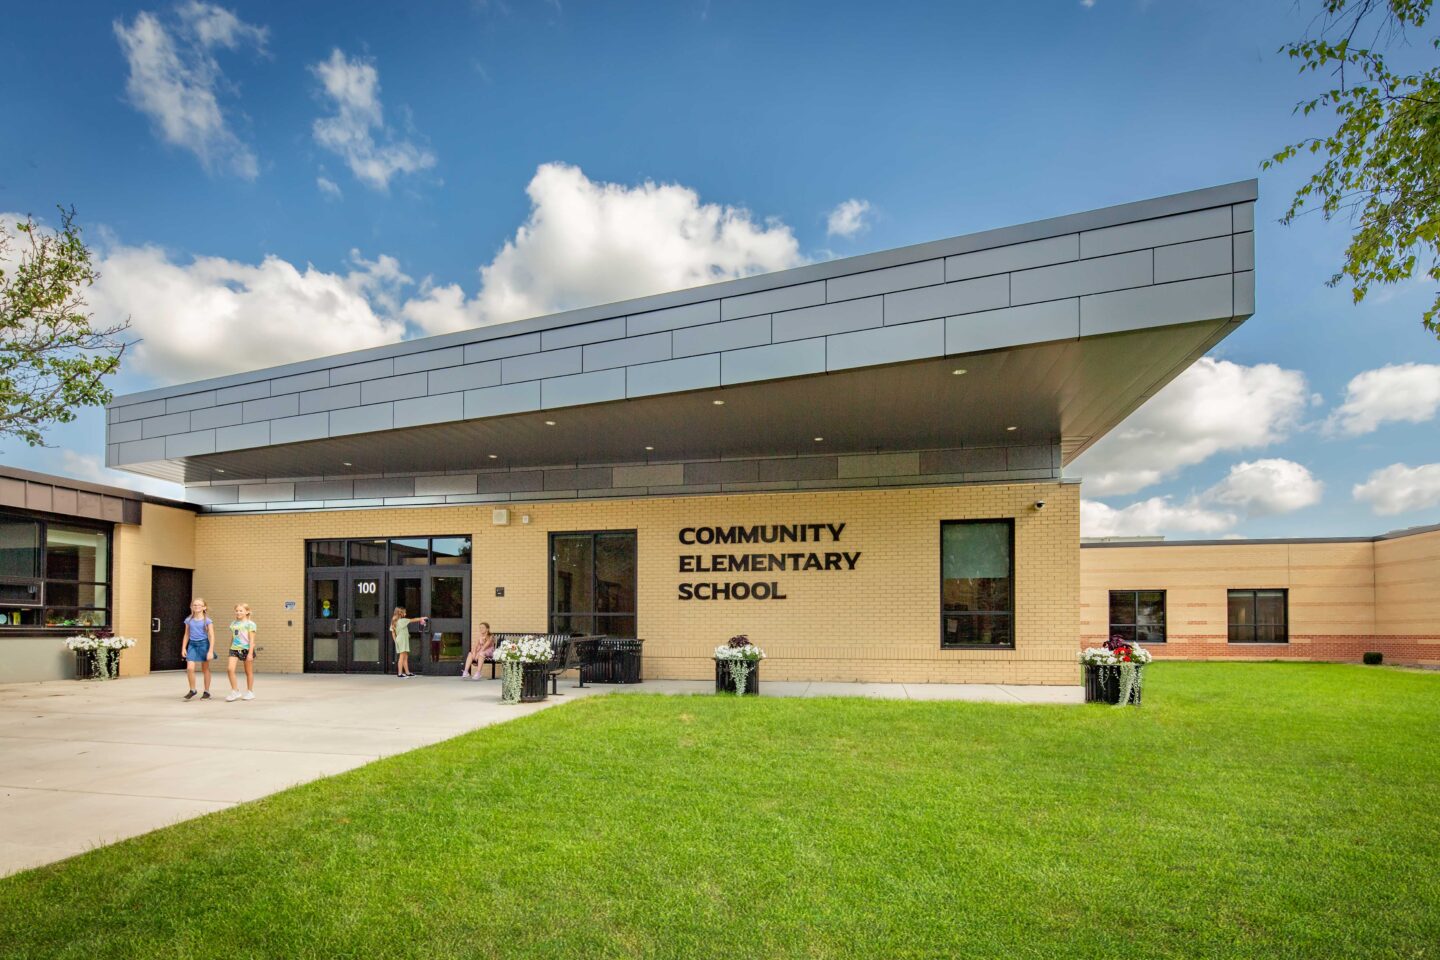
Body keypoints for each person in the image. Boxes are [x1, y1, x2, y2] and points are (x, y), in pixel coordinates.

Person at [180, 598, 215, 701]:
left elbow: (212, 636)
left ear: (204, 607)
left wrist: (210, 651)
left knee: (205, 669)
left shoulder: (207, 621)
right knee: (190, 668)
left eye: (199, 605)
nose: (196, 606)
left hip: (204, 644)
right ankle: (192, 689)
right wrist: (183, 648)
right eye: (194, 605)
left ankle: (207, 691)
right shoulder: (188, 620)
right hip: (192, 645)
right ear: (191, 607)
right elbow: (186, 634)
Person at [225, 603, 258, 702]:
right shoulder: (233, 623)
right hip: (234, 649)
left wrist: (250, 653)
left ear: (247, 612)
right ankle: (235, 691)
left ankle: (250, 692)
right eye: (237, 611)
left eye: (241, 611)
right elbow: (233, 637)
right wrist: (230, 648)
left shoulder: (250, 624)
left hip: (246, 649)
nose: (238, 612)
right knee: (230, 669)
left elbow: (252, 640)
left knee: (248, 672)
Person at [390, 607, 427, 678]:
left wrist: (395, 641)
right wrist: (422, 618)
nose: (406, 614)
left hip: (400, 639)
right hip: (402, 640)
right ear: (400, 613)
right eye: (404, 612)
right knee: (402, 656)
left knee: (405, 656)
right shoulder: (402, 620)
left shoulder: (394, 621)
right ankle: (400, 673)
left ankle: (407, 672)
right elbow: (412, 620)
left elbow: (393, 633)